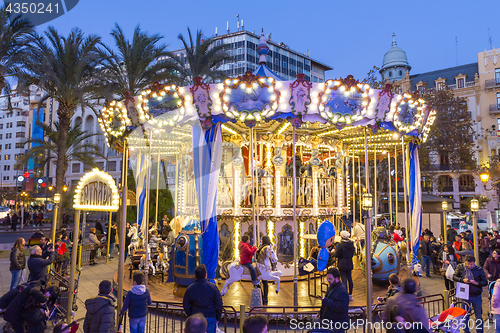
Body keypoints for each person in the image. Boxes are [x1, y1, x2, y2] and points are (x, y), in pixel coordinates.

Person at [183, 264, 223, 333]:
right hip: (210, 316)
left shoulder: (190, 288)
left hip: (196, 317)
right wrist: (218, 317)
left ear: (195, 276)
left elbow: (186, 304)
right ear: (206, 275)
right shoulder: (213, 287)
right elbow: (219, 304)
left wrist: (191, 315)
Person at [452, 255, 487, 333]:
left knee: (478, 316)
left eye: (471, 264)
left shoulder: (479, 269)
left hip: (476, 295)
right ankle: (466, 331)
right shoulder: (460, 267)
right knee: (465, 315)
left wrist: (477, 283)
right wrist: (462, 280)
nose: (469, 266)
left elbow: (485, 282)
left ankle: (479, 331)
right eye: (468, 264)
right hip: (464, 295)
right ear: (465, 262)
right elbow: (454, 277)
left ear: (474, 263)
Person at [318, 267, 349, 332]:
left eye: (330, 278)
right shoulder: (332, 286)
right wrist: (320, 312)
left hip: (337, 324)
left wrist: (326, 301)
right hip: (330, 321)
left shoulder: (342, 290)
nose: (328, 280)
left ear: (337, 278)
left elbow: (342, 307)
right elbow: (326, 298)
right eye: (327, 278)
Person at [331, 230, 355, 301]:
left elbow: (337, 255)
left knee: (344, 279)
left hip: (342, 263)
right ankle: (350, 294)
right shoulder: (351, 243)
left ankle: (345, 295)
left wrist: (333, 253)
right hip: (349, 262)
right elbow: (353, 253)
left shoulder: (341, 245)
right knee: (350, 278)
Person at [256, 235, 274, 305]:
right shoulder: (269, 246)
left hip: (262, 266)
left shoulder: (264, 247)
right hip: (266, 266)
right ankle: (265, 297)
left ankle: (262, 295)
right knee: (264, 282)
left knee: (256, 280)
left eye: (261, 239)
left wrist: (257, 251)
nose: (261, 240)